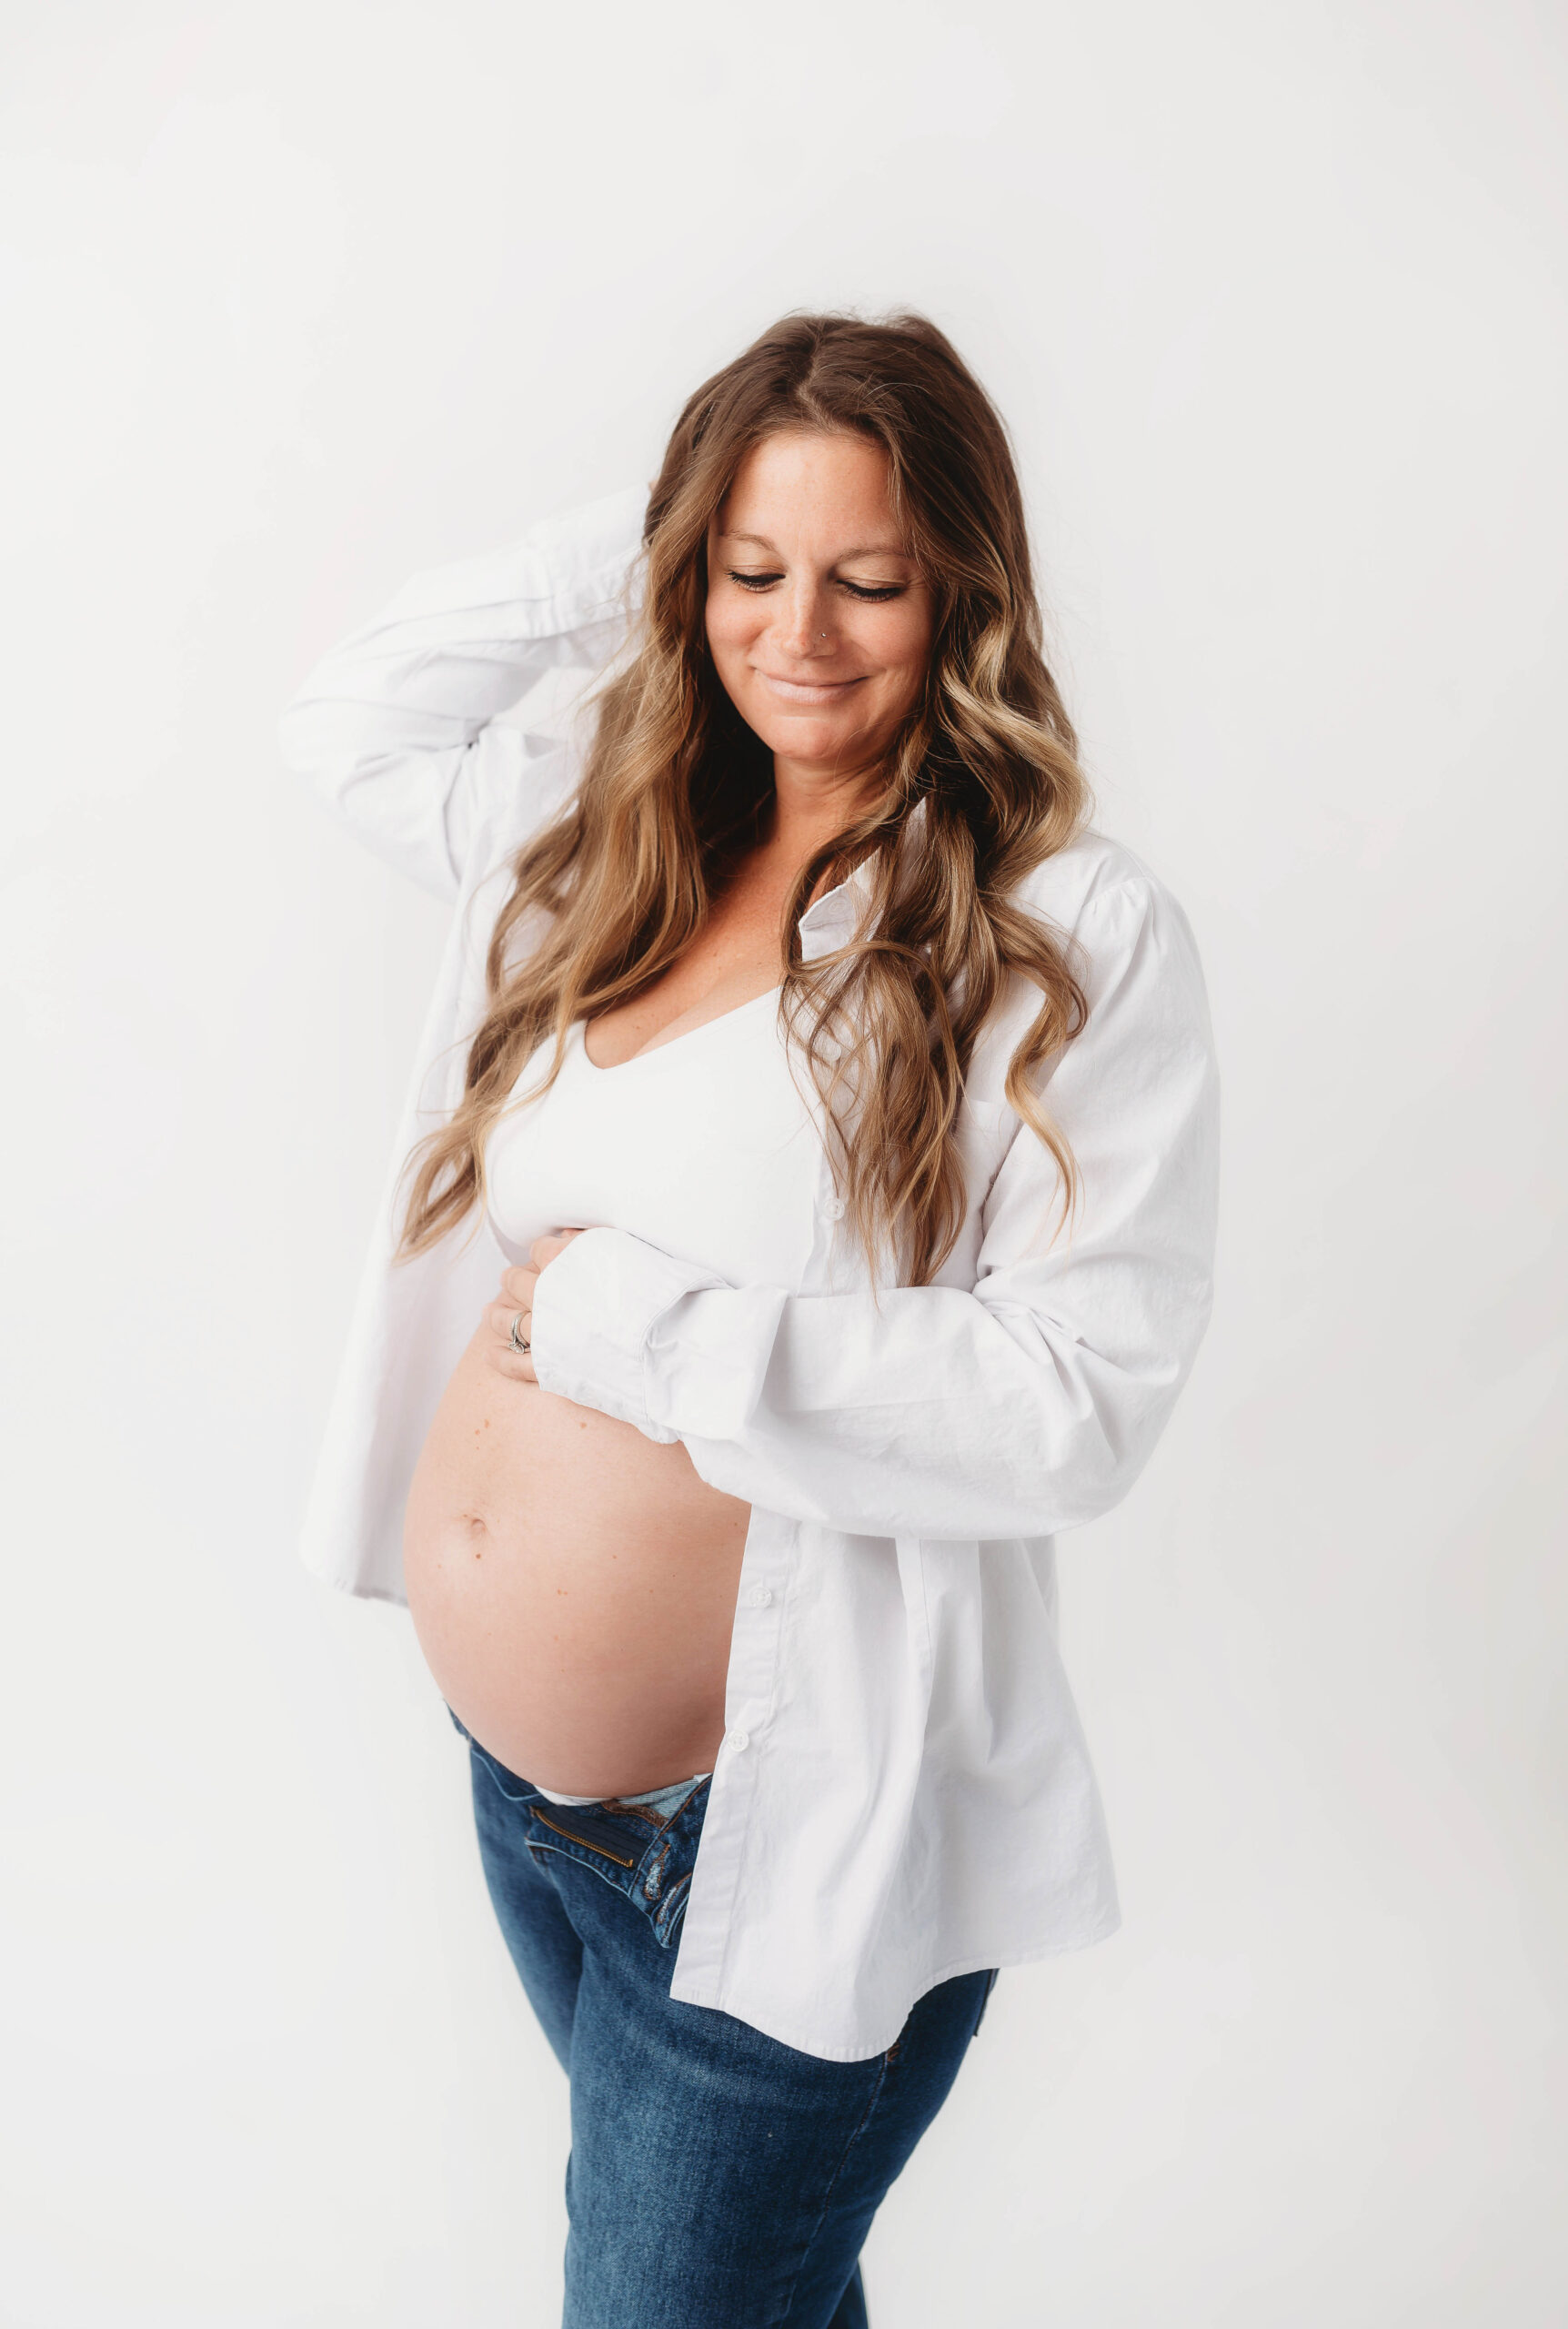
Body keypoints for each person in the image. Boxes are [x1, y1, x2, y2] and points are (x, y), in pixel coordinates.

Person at [279, 309, 1221, 2327]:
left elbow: (1079, 1398)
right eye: (748, 569)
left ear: (962, 581)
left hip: (779, 1834)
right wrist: (646, 526)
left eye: (869, 577)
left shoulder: (1064, 932)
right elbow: (350, 720)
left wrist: (651, 1338)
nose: (801, 632)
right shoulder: (600, 843)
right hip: (535, 1806)